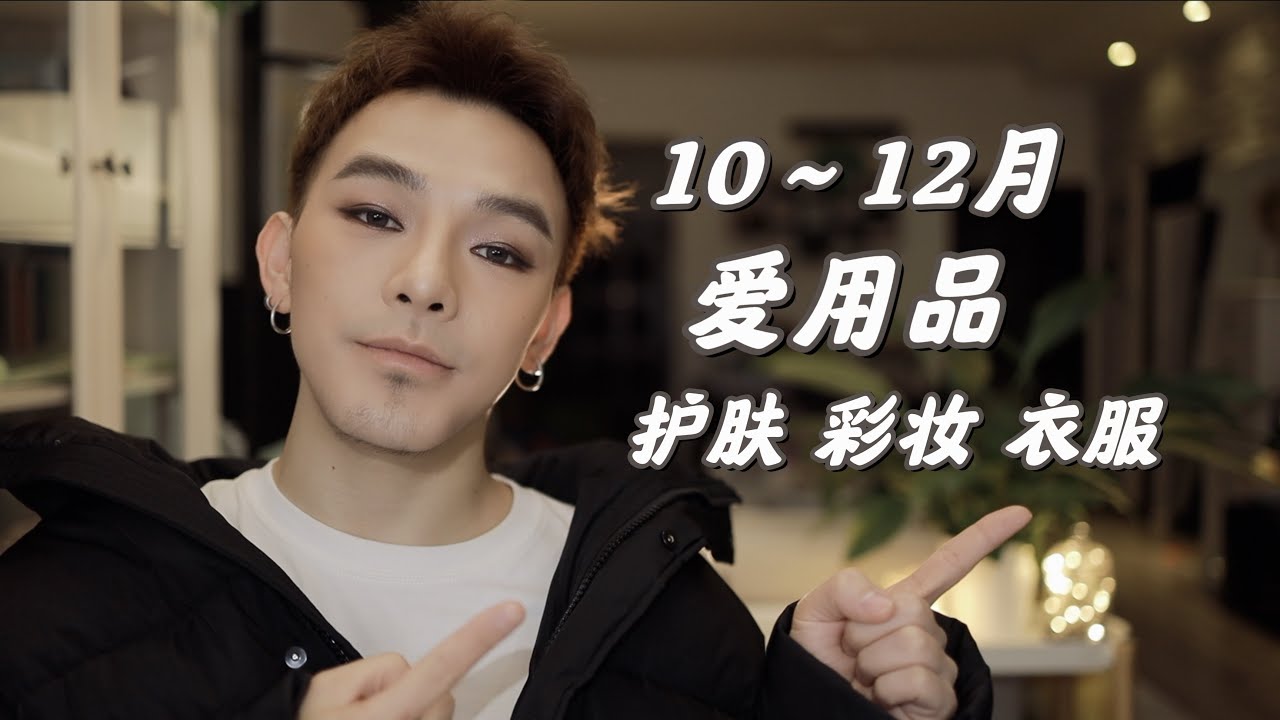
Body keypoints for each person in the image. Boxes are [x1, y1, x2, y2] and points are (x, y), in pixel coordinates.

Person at [0, 3, 1030, 718]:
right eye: (374, 214)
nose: (426, 282)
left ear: (544, 329)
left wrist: (834, 710)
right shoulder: (66, 605)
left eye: (499, 251)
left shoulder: (671, 623)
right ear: (279, 263)